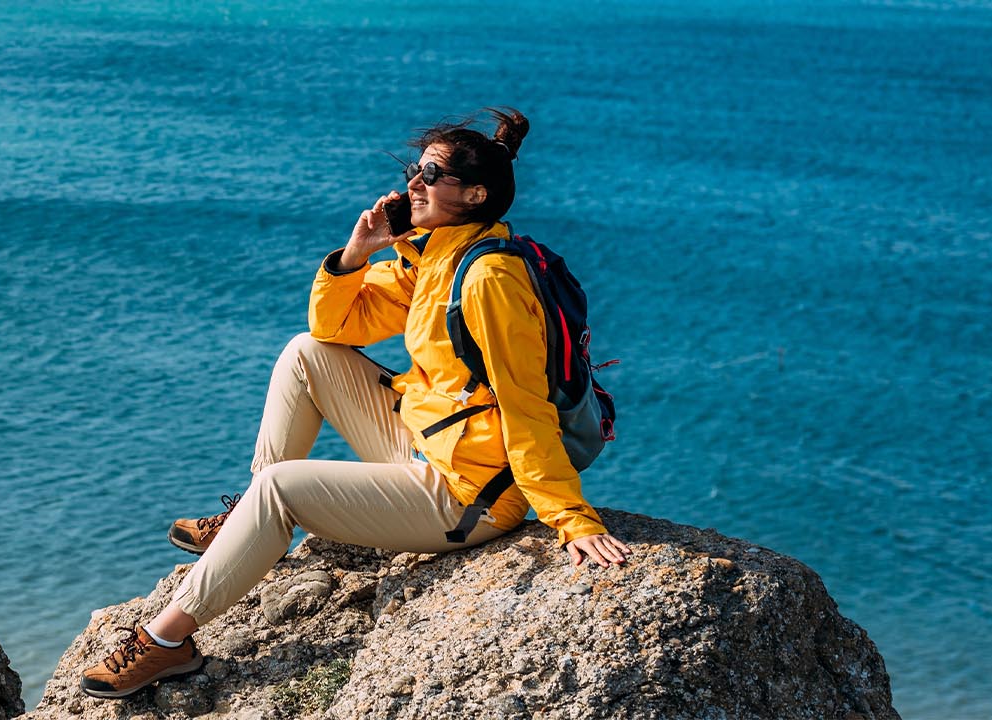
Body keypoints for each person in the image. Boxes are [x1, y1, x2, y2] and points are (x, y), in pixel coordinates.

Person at [78, 107, 633, 699]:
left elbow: (526, 406)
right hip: (432, 444)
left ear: (474, 195)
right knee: (305, 352)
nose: (411, 184)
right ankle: (244, 523)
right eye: (415, 169)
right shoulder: (436, 258)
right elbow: (334, 328)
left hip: (472, 495)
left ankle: (167, 643)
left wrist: (571, 519)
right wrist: (356, 254)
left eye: (430, 174)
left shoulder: (487, 278)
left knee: (282, 488)